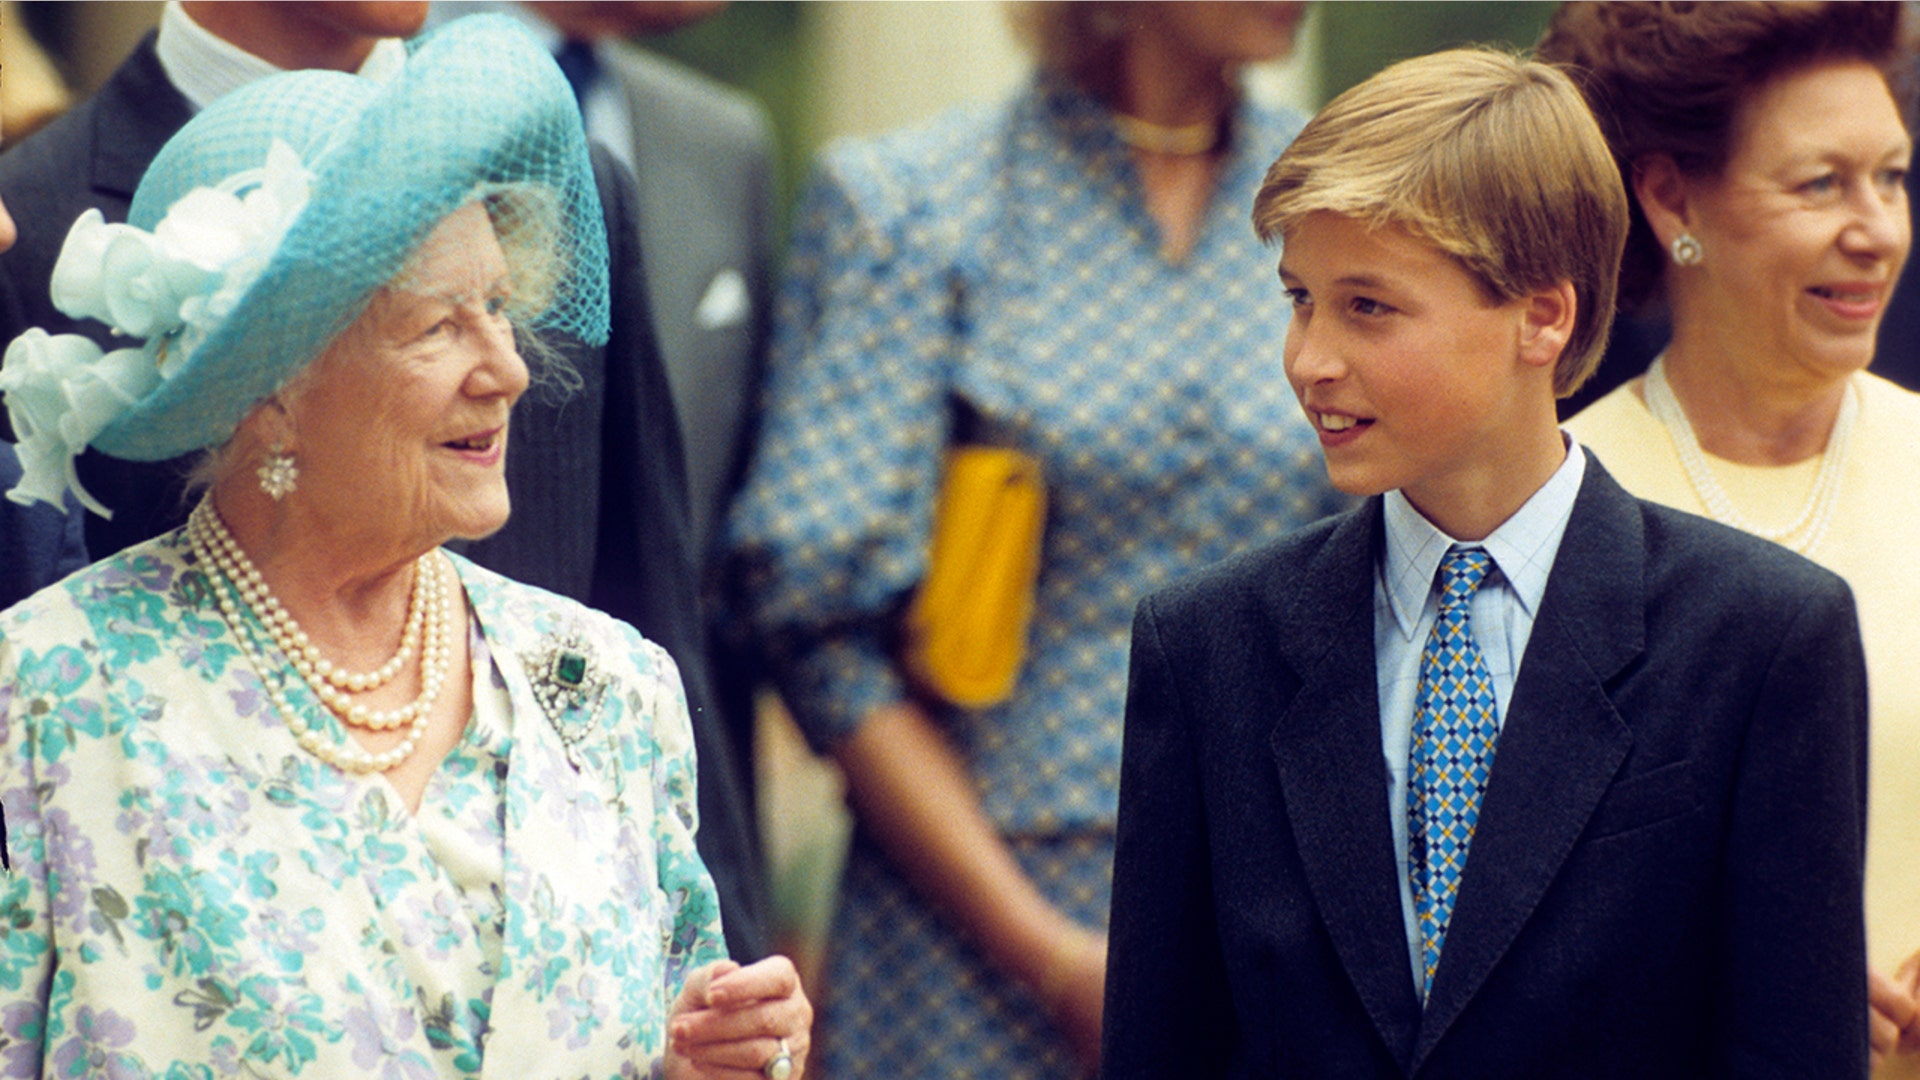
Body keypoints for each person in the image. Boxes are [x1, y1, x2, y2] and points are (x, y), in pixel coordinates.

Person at [0, 17, 810, 1076]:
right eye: (438, 326)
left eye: (499, 308)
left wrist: (709, 1056)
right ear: (273, 391)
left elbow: (666, 1030)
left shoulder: (609, 691)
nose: (508, 370)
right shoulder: (51, 697)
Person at [1104, 47, 1870, 1076]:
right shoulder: (1206, 646)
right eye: (1299, 299)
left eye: (1368, 306)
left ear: (1543, 316)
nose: (1309, 360)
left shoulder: (1764, 637)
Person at [725, 3, 1344, 1075]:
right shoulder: (914, 204)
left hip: (1268, 914)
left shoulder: (1342, 205)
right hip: (971, 934)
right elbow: (818, 635)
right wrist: (1050, 959)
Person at [1537, 5, 1920, 1070]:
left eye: (1891, 178)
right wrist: (1752, 985)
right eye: (1821, 184)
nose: (1878, 230)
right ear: (1671, 199)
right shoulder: (1554, 513)